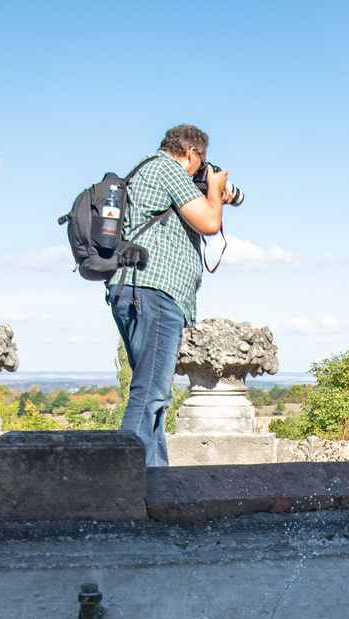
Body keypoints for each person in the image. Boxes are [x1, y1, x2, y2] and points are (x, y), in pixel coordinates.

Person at [107, 125, 232, 467]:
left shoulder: (145, 170)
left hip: (133, 291)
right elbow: (208, 222)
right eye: (201, 161)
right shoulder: (166, 168)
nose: (200, 169)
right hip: (156, 292)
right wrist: (216, 191)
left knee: (155, 393)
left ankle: (154, 477)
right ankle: (122, 480)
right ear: (191, 152)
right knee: (151, 393)